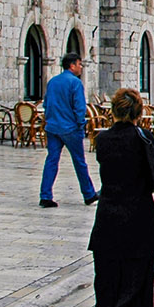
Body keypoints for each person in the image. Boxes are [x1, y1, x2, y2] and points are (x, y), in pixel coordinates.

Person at [89, 88, 154, 307]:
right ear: (138, 112)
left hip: (108, 212)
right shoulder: (143, 138)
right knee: (139, 271)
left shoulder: (103, 140)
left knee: (109, 272)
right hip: (139, 213)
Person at [39, 53, 98, 208]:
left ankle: (45, 195)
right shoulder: (75, 83)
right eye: (79, 64)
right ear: (72, 65)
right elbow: (79, 107)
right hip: (70, 128)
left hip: (53, 127)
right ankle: (89, 194)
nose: (81, 67)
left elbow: (46, 104)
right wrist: (81, 124)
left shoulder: (52, 82)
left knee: (51, 160)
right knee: (79, 161)